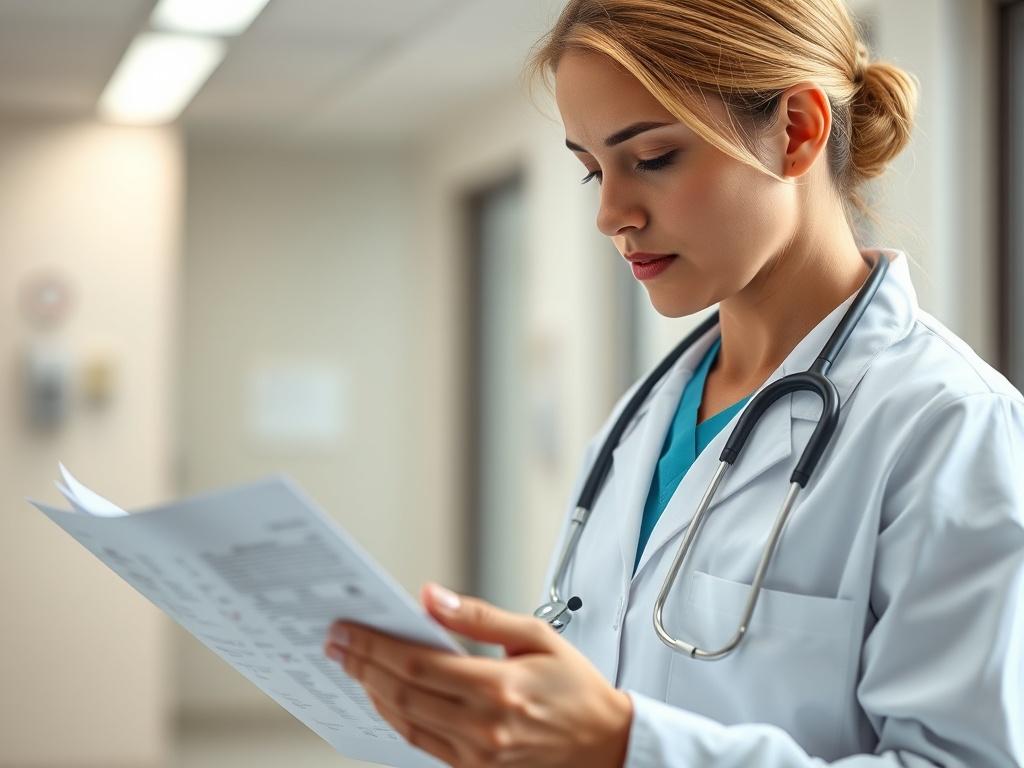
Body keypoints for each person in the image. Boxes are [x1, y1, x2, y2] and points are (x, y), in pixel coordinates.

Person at [323, 1, 1024, 765]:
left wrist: (624, 744)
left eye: (651, 158)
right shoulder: (640, 419)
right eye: (593, 169)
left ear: (796, 131)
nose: (609, 213)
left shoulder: (949, 425)